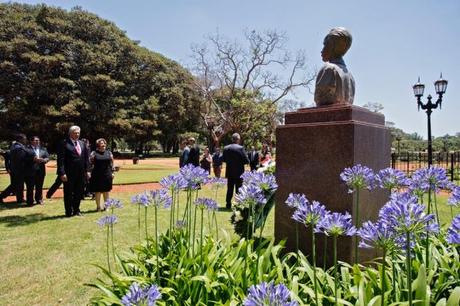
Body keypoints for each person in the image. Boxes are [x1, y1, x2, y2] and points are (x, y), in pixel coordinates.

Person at [314, 27, 355, 106]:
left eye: (325, 44)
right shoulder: (350, 76)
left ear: (332, 46)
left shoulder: (329, 69)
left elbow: (320, 100)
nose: (322, 50)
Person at [57, 126, 91, 217]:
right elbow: (60, 160)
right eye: (75, 133)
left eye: (78, 133)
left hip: (81, 173)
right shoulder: (64, 144)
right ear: (70, 133)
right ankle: (69, 211)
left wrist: (88, 170)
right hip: (68, 173)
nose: (77, 134)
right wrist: (62, 172)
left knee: (79, 192)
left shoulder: (82, 143)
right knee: (68, 193)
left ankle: (76, 210)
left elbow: (86, 159)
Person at [223, 133, 249, 209]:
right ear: (238, 139)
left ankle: (228, 204)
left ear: (232, 139)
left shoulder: (226, 148)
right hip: (239, 172)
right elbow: (246, 160)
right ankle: (238, 204)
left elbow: (224, 159)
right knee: (239, 189)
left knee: (229, 189)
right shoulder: (241, 148)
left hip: (230, 171)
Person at [89, 138, 115, 211]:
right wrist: (89, 172)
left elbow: (112, 163)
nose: (103, 144)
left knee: (106, 191)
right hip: (96, 175)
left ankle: (107, 206)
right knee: (98, 191)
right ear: (98, 145)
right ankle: (98, 207)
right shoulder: (93, 153)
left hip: (107, 174)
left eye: (104, 143)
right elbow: (90, 163)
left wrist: (113, 172)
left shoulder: (109, 153)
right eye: (101, 143)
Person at [9, 134, 35, 204]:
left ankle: (21, 199)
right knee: (22, 186)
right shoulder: (18, 148)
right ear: (20, 139)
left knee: (17, 185)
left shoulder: (15, 146)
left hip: (18, 170)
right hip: (21, 170)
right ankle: (21, 200)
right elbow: (21, 159)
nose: (26, 140)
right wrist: (33, 159)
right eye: (24, 139)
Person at [24, 136, 49, 205]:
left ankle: (39, 199)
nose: (37, 142)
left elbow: (47, 157)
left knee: (39, 186)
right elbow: (23, 159)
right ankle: (30, 201)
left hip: (41, 171)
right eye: (36, 140)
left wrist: (44, 160)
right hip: (30, 171)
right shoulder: (26, 149)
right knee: (30, 187)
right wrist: (33, 160)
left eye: (38, 140)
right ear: (31, 141)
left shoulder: (43, 149)